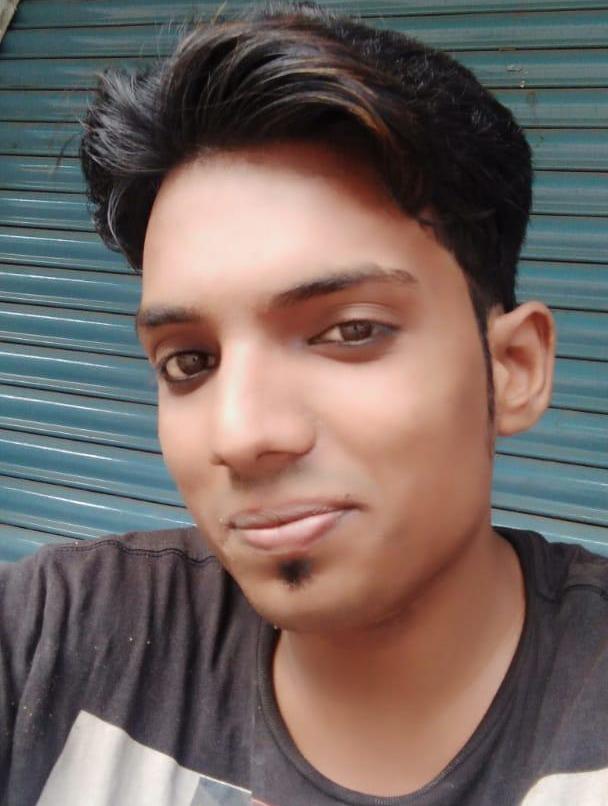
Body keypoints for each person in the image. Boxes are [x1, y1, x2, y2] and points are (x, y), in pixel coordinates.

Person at [1, 3, 607, 804]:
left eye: (351, 331)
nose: (241, 433)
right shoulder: (54, 636)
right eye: (190, 362)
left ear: (514, 369)